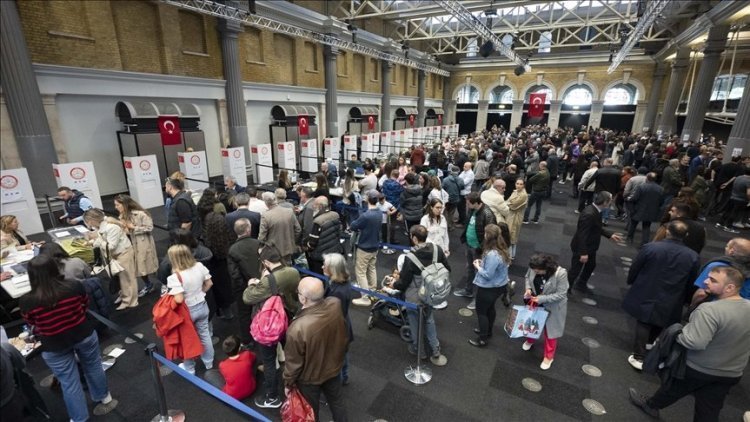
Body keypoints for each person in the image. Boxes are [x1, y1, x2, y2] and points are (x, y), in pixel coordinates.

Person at [628, 266, 750, 422]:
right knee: (709, 410)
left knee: (672, 389)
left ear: (730, 287)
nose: (706, 281)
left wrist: (679, 333)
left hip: (698, 368)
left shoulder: (709, 310)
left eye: (713, 280)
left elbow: (694, 341)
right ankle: (651, 404)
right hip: (731, 372)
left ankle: (651, 405)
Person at [19, 255, 118, 421]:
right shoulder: (74, 286)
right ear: (55, 268)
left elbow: (32, 323)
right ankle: (104, 396)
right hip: (83, 333)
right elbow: (84, 305)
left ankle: (79, 418)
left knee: (69, 381)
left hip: (53, 344)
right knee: (93, 365)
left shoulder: (27, 301)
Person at [622, 220, 700, 370]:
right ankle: (649, 344)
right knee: (662, 319)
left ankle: (639, 355)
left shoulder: (651, 247)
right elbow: (692, 280)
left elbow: (636, 267)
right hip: (673, 293)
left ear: (668, 231)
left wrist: (631, 281)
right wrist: (687, 298)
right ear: (686, 235)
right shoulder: (693, 256)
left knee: (644, 320)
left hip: (647, 288)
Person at [243, 243, 301, 409]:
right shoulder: (293, 271)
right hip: (289, 319)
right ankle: (296, 387)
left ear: (266, 263)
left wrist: (253, 284)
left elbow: (248, 298)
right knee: (292, 356)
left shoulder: (269, 281)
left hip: (270, 325)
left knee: (269, 362)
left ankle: (272, 397)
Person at [283, 277, 348, 422]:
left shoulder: (297, 328)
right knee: (337, 402)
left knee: (311, 411)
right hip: (333, 367)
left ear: (303, 299)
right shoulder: (335, 303)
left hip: (310, 378)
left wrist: (288, 383)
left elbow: (293, 363)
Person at [388, 225, 449, 366]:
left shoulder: (410, 257)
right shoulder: (437, 250)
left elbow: (403, 282)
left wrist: (393, 285)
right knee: (429, 320)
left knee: (415, 322)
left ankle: (419, 351)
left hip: (415, 295)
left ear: (414, 238)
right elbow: (447, 268)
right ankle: (435, 350)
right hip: (433, 292)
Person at [166, 244, 214, 375]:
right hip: (203, 306)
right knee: (205, 334)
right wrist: (201, 293)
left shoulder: (175, 277)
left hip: (187, 312)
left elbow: (179, 299)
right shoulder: (199, 266)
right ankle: (209, 362)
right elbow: (209, 283)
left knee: (187, 340)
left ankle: (190, 368)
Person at [83, 209, 138, 310]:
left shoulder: (111, 227)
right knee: (120, 278)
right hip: (116, 254)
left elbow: (111, 246)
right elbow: (102, 240)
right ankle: (124, 296)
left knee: (127, 278)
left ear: (91, 220)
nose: (87, 224)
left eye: (87, 222)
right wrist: (92, 242)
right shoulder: (102, 226)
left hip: (123, 253)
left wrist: (96, 242)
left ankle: (130, 301)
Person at [568, 192, 623, 293]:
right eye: (610, 200)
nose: (612, 202)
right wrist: (583, 253)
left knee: (591, 265)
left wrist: (609, 235)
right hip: (583, 247)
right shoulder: (589, 214)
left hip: (591, 247)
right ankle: (565, 289)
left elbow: (596, 227)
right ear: (605, 202)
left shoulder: (596, 210)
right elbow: (582, 235)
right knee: (575, 270)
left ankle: (580, 284)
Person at [522, 254, 569, 370]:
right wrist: (528, 289)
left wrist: (542, 299)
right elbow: (527, 277)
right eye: (534, 271)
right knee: (532, 324)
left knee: (550, 332)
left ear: (546, 268)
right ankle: (530, 340)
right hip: (536, 302)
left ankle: (549, 356)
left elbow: (561, 294)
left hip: (553, 306)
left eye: (538, 271)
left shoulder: (560, 273)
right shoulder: (534, 266)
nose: (535, 273)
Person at [469, 224, 510, 347]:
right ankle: (487, 332)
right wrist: (484, 263)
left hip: (489, 288)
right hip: (499, 286)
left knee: (481, 312)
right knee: (490, 308)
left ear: (489, 236)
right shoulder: (501, 248)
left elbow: (487, 275)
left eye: (486, 233)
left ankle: (482, 339)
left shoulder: (492, 254)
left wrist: (478, 266)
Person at [323, 253, 361, 385]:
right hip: (343, 325)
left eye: (325, 266)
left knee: (336, 358)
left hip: (337, 329)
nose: (322, 267)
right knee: (342, 355)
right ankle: (343, 378)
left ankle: (338, 384)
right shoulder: (341, 282)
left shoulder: (337, 292)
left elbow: (333, 315)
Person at [113, 195, 159, 297]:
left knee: (151, 265)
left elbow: (150, 228)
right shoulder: (122, 215)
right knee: (139, 267)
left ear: (125, 204)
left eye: (117, 205)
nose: (116, 207)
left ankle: (164, 283)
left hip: (143, 243)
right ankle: (148, 285)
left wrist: (133, 227)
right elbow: (126, 231)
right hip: (131, 244)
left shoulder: (141, 214)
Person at [454, 192, 497, 302]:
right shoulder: (472, 209)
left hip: (480, 249)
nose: (467, 205)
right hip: (469, 245)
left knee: (480, 273)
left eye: (469, 203)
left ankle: (478, 299)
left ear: (476, 203)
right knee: (469, 269)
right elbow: (468, 224)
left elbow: (491, 235)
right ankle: (468, 291)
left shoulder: (488, 214)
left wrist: (482, 247)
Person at [226, 218, 261, 349]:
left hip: (242, 289)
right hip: (261, 284)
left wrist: (245, 287)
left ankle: (247, 340)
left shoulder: (232, 250)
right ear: (249, 229)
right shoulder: (258, 244)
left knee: (244, 314)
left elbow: (234, 274)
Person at [690, 238, 750, 307]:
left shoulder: (716, 266)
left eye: (727, 246)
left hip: (713, 309)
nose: (725, 248)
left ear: (731, 251)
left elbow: (701, 293)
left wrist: (692, 306)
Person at [350, 191, 382, 306]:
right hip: (375, 246)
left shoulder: (366, 215)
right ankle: (372, 291)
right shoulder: (379, 212)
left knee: (361, 272)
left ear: (368, 199)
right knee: (372, 268)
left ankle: (365, 297)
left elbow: (354, 226)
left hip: (365, 247)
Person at [258, 191, 301, 265]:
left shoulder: (266, 216)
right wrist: (292, 241)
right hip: (288, 248)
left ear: (265, 202)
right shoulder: (289, 211)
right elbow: (298, 229)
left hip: (273, 251)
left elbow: (262, 237)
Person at [304, 197, 344, 276]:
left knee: (319, 277)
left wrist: (307, 248)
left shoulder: (317, 221)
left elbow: (312, 243)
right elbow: (339, 232)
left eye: (315, 204)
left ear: (321, 206)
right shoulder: (335, 215)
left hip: (319, 256)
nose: (313, 206)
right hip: (334, 251)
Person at [626, 173, 663, 247]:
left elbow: (635, 198)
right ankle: (644, 242)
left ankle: (629, 238)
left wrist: (629, 200)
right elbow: (661, 201)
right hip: (652, 210)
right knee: (646, 227)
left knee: (633, 224)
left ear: (647, 178)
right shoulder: (660, 189)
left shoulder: (641, 187)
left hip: (639, 208)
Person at [583, 158, 621, 224]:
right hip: (610, 192)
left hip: (599, 190)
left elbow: (592, 179)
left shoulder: (600, 171)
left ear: (606, 162)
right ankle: (604, 219)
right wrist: (616, 192)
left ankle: (595, 218)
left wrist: (586, 186)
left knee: (596, 205)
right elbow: (618, 184)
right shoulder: (617, 172)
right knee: (607, 206)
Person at [218, 335, 256, 400]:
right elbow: (254, 356)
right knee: (251, 361)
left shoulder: (222, 365)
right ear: (239, 348)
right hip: (251, 389)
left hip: (232, 396)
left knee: (209, 374)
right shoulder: (247, 355)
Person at [506, 179, 528, 261]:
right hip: (511, 215)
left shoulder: (523, 195)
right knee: (509, 234)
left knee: (513, 236)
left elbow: (513, 206)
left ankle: (511, 256)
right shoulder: (515, 192)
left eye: (521, 184)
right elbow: (508, 201)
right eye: (517, 183)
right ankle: (509, 254)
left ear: (524, 185)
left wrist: (509, 203)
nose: (518, 185)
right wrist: (509, 203)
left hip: (516, 217)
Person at [442, 165, 465, 229]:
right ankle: (450, 226)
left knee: (445, 212)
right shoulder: (460, 180)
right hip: (455, 199)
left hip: (447, 199)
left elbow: (442, 189)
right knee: (451, 213)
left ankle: (444, 225)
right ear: (458, 171)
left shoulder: (445, 180)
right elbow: (462, 187)